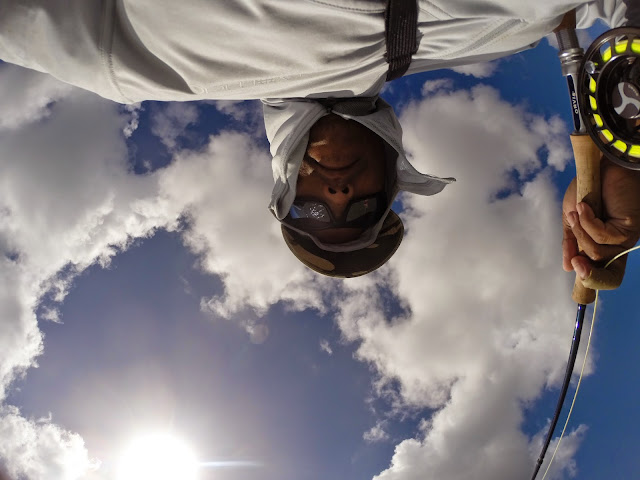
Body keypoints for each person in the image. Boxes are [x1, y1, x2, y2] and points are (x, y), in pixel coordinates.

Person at [1, 0, 639, 282]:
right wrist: (628, 149)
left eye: (310, 212)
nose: (336, 197)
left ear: (283, 187)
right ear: (391, 175)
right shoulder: (499, 30)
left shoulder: (135, 61)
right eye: (362, 208)